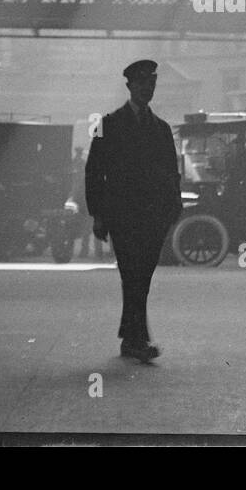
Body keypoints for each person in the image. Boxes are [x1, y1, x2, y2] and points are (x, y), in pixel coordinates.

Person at [85, 59, 182, 362]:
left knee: (141, 278)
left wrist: (173, 209)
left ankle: (130, 337)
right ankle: (139, 339)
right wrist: (98, 215)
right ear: (129, 87)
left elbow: (171, 173)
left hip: (153, 217)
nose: (147, 89)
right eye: (142, 84)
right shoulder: (108, 125)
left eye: (151, 84)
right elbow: (93, 172)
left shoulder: (162, 129)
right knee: (134, 276)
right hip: (123, 216)